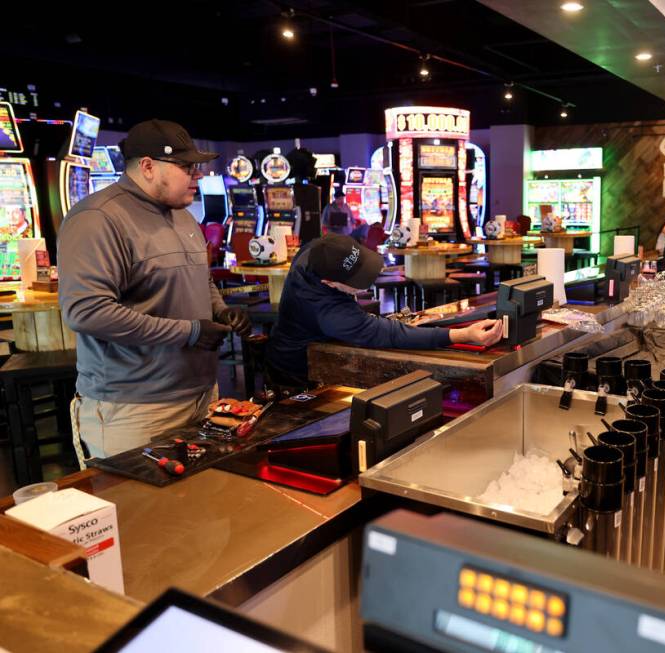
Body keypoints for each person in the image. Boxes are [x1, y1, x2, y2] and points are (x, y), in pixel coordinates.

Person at [59, 119, 252, 459]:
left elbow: (200, 278)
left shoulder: (183, 216)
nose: (197, 176)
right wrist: (190, 332)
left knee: (202, 508)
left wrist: (220, 309)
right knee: (140, 512)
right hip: (134, 408)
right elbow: (86, 312)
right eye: (185, 167)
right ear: (147, 166)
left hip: (201, 396)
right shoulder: (97, 218)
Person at [267, 233, 503, 384]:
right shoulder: (330, 313)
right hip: (299, 370)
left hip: (302, 338)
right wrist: (463, 335)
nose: (367, 281)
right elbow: (391, 334)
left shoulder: (318, 250)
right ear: (329, 283)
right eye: (356, 281)